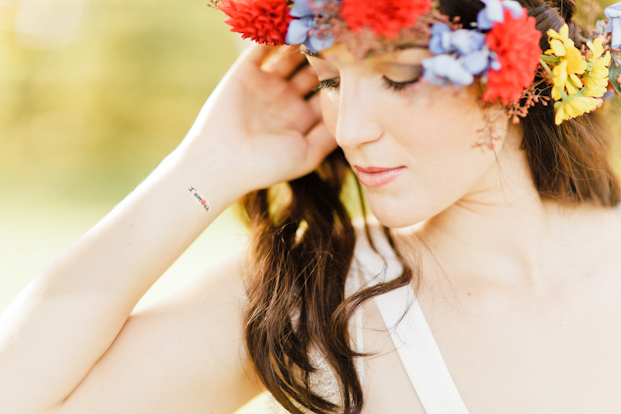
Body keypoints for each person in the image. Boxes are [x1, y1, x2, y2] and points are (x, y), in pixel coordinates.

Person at [2, 0, 621, 413]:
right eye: (329, 80)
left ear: (521, 69)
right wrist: (202, 166)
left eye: (398, 76)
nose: (349, 128)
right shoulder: (315, 295)